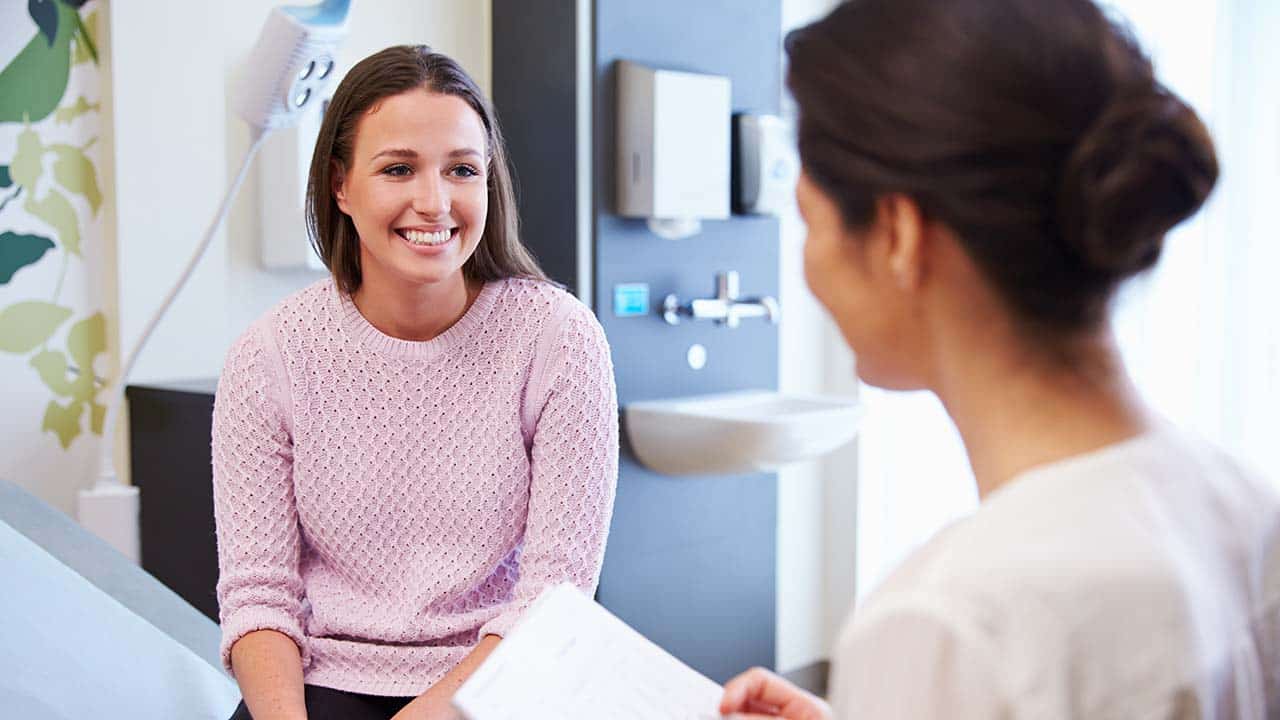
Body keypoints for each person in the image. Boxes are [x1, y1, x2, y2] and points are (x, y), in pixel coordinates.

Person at [719, 0, 1280, 717]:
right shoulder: (1242, 505)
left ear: (896, 233)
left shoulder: (951, 620)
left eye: (809, 221)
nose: (807, 269)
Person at [213, 45, 618, 720]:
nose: (434, 202)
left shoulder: (560, 339)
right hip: (327, 675)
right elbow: (258, 597)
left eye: (461, 169)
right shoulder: (270, 356)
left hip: (503, 669)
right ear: (341, 185)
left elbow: (554, 599)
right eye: (398, 169)